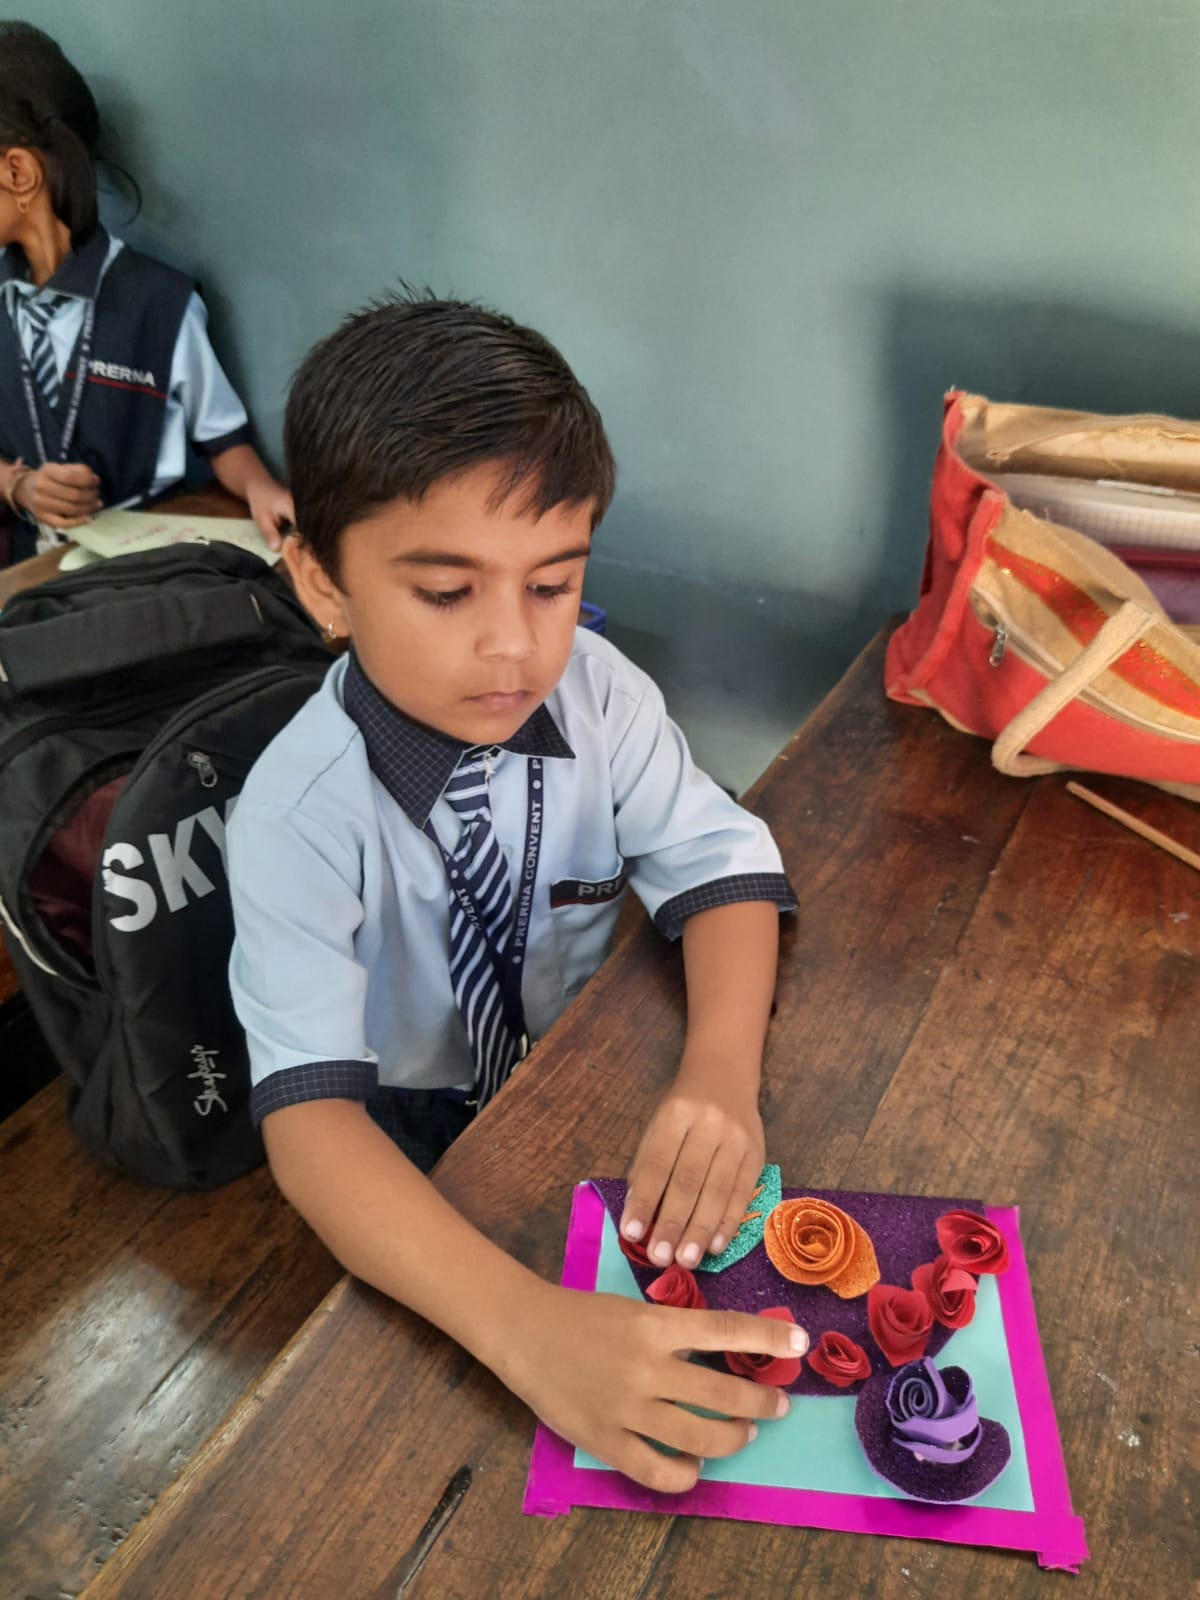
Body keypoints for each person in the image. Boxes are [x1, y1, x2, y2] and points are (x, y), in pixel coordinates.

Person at [227, 292, 803, 1493]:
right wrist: (526, 1331)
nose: (515, 647)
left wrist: (718, 1077)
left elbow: (723, 865)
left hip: (579, 1075)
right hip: (401, 1139)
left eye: (552, 584)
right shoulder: (295, 815)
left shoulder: (599, 692)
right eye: (448, 593)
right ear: (322, 583)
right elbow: (310, 1129)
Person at [0, 21, 292, 565]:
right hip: (28, 575)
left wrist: (260, 487)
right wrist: (17, 486)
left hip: (142, 567)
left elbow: (224, 442)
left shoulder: (159, 301)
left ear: (18, 172)